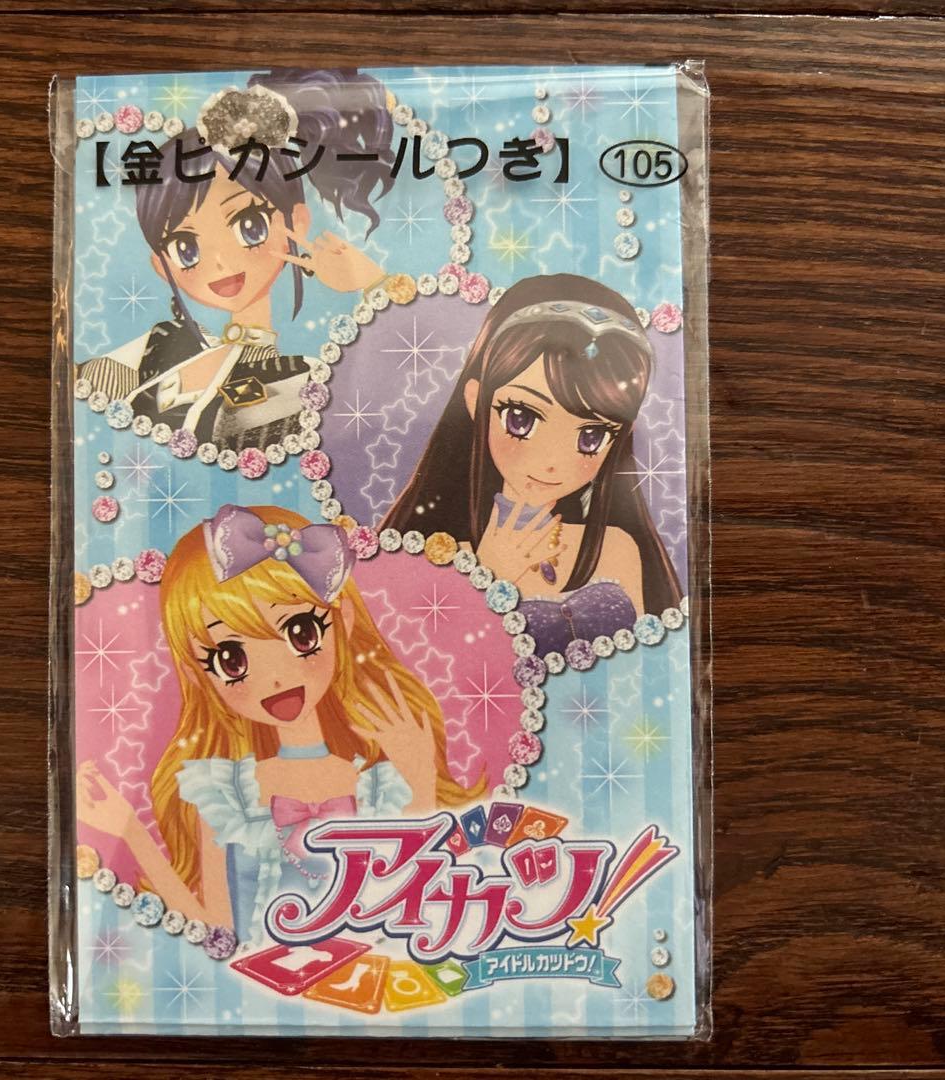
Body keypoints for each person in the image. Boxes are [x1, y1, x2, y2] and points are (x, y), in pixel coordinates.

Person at [77, 504, 484, 942]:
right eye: (230, 659)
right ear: (198, 673)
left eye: (301, 633)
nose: (274, 677)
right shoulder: (225, 792)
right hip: (256, 978)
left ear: (343, 620)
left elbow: (420, 903)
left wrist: (420, 784)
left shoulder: (381, 780)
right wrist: (130, 832)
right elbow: (215, 928)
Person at [79, 69, 395, 450]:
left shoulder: (299, 378)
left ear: (296, 222)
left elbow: (402, 401)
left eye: (250, 226)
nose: (221, 264)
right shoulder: (159, 345)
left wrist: (376, 284)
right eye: (185, 247)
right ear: (161, 265)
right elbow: (81, 403)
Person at [382, 274, 682, 656]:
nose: (552, 461)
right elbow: (414, 666)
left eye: (591, 436)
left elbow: (643, 666)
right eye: (520, 418)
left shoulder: (616, 549)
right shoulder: (437, 556)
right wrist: (487, 574)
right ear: (476, 402)